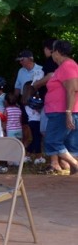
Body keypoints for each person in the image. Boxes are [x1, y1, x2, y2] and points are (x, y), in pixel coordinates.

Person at [42, 40, 78, 176]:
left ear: (57, 52)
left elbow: (72, 90)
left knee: (52, 141)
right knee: (71, 143)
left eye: (53, 52)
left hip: (62, 112)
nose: (52, 54)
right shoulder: (65, 66)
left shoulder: (67, 66)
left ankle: (76, 165)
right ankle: (74, 175)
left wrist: (68, 113)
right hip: (64, 111)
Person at [33, 39, 64, 174]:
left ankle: (55, 162)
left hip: (52, 103)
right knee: (57, 132)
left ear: (50, 49)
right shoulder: (67, 64)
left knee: (47, 131)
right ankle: (62, 161)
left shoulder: (51, 63)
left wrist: (37, 84)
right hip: (60, 103)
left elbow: (50, 76)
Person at [22, 81, 44, 164]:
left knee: (35, 139)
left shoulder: (26, 102)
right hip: (36, 122)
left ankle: (27, 155)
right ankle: (38, 157)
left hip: (31, 121)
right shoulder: (34, 101)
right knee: (37, 139)